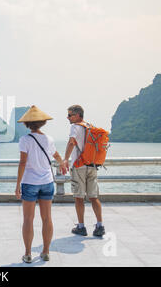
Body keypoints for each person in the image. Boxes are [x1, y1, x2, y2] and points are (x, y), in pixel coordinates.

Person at [15, 105, 66, 263]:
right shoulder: (49, 139)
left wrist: (17, 185)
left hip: (30, 182)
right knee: (47, 218)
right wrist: (63, 163)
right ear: (43, 122)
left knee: (28, 219)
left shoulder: (24, 140)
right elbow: (56, 154)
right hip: (47, 182)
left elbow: (23, 163)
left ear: (27, 124)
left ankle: (28, 254)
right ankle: (45, 252)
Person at [63, 105, 105, 237]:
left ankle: (81, 227)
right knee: (93, 197)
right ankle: (100, 226)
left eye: (70, 115)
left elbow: (71, 142)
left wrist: (65, 159)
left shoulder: (75, 127)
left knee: (79, 197)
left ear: (78, 115)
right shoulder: (89, 126)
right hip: (92, 165)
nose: (68, 117)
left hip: (79, 166)